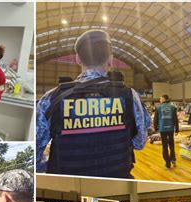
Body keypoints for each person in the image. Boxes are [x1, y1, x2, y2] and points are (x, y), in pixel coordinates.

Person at [36, 29, 150, 178]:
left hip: (68, 185)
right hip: (117, 180)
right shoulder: (129, 95)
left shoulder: (52, 98)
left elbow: (36, 150)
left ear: (78, 59)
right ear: (110, 59)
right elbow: (139, 143)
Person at [154, 95, 179, 169]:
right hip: (171, 129)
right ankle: (173, 159)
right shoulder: (173, 107)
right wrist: (177, 129)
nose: (159, 100)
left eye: (160, 98)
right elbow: (175, 119)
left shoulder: (158, 107)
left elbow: (155, 119)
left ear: (164, 99)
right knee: (171, 144)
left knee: (165, 146)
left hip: (163, 129)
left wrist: (155, 128)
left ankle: (168, 163)